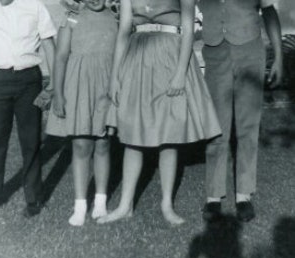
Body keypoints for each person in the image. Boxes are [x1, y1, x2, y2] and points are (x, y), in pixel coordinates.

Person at [98, 0, 221, 225]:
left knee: (169, 134)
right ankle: (125, 205)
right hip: (137, 58)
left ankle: (166, 204)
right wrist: (115, 75)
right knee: (132, 135)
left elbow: (187, 30)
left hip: (171, 57)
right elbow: (124, 30)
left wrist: (180, 73)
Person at [0, 0, 56, 217]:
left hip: (29, 81)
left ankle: (34, 198)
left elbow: (49, 46)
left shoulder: (35, 7)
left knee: (31, 141)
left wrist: (53, 83)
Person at [198, 0, 283, 222]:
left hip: (250, 50)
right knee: (217, 125)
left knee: (248, 124)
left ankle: (244, 194)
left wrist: (279, 58)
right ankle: (213, 195)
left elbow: (269, 10)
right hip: (215, 52)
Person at [45, 0, 118, 226]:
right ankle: (79, 205)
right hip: (78, 87)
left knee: (103, 143)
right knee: (80, 145)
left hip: (106, 86)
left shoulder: (115, 18)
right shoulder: (72, 17)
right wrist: (57, 93)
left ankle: (100, 201)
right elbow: (61, 56)